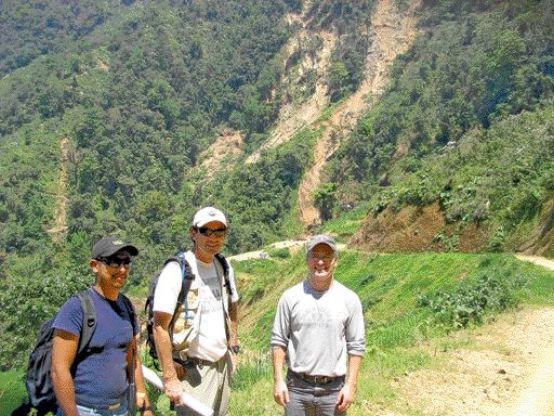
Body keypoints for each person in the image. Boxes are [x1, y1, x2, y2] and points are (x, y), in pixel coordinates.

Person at [51, 236, 153, 416]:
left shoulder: (127, 307)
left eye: (126, 262)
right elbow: (59, 370)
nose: (122, 269)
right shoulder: (77, 308)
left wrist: (145, 404)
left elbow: (133, 359)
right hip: (83, 410)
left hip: (120, 409)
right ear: (94, 265)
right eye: (114, 262)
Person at [152, 207, 240, 415]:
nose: (213, 238)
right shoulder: (177, 270)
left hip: (222, 364)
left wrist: (233, 345)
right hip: (193, 370)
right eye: (206, 231)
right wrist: (170, 376)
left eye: (219, 232)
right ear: (193, 233)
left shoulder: (224, 265)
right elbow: (159, 326)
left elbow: (233, 304)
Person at [271, 235, 366, 415]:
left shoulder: (349, 299)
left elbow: (356, 345)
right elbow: (279, 340)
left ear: (335, 261)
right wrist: (278, 380)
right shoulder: (290, 297)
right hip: (297, 389)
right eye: (315, 256)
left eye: (327, 257)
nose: (320, 262)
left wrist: (351, 385)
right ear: (307, 260)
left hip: (333, 391)